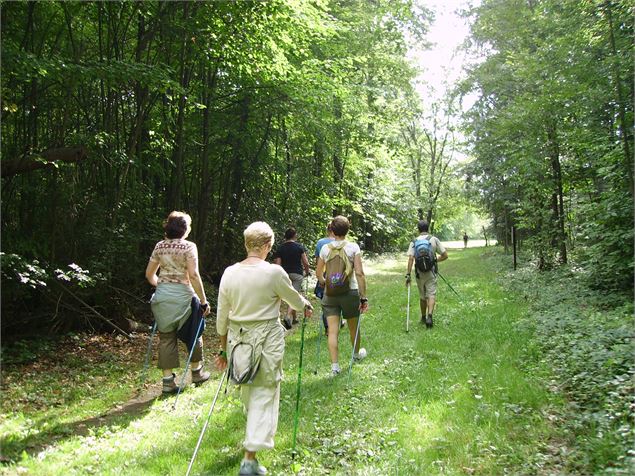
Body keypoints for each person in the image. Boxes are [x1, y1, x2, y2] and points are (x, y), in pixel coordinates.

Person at [214, 222, 312, 476]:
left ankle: (252, 446)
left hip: (238, 339)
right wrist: (305, 305)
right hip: (266, 338)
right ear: (267, 246)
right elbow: (292, 298)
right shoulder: (273, 273)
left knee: (249, 388)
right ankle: (249, 459)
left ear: (247, 244)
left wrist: (223, 349)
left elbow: (222, 317)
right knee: (264, 392)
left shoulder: (229, 273)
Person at [145, 211, 211, 394]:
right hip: (184, 297)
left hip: (162, 296)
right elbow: (194, 275)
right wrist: (204, 301)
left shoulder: (159, 247)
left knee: (166, 338)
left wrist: (164, 286)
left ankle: (168, 382)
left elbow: (149, 275)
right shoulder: (189, 247)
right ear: (184, 229)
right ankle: (197, 373)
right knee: (194, 331)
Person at [315, 215, 369, 376]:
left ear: (331, 229)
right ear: (347, 229)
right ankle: (355, 355)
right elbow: (359, 273)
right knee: (354, 327)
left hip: (330, 294)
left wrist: (326, 282)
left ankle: (335, 367)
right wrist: (363, 296)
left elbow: (318, 273)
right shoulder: (353, 248)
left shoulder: (325, 248)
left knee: (332, 331)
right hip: (350, 293)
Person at [406, 220, 448, 328]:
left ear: (418, 229)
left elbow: (411, 258)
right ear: (428, 228)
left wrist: (408, 274)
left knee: (422, 295)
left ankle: (423, 317)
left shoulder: (414, 241)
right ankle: (430, 316)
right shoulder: (433, 239)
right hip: (431, 272)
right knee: (431, 294)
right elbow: (445, 255)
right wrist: (434, 261)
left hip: (419, 273)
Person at [273, 227, 310, 329]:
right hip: (297, 274)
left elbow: (278, 264)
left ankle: (294, 318)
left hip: (284, 274)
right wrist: (307, 272)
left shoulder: (280, 248)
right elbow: (306, 263)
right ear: (295, 236)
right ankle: (288, 317)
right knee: (294, 294)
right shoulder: (299, 247)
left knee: (289, 293)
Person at [314, 223, 335, 333]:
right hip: (338, 274)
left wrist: (319, 276)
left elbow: (318, 262)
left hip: (324, 274)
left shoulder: (320, 243)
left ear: (327, 230)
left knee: (325, 303)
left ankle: (328, 328)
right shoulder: (341, 243)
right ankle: (337, 323)